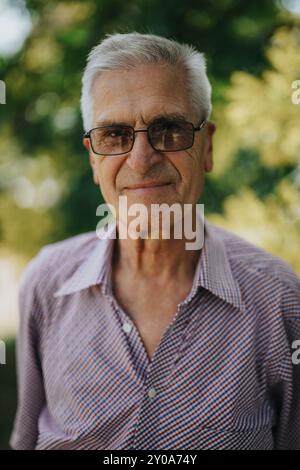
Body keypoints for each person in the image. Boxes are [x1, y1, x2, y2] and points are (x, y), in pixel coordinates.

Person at [10, 32, 300, 450]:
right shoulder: (46, 284)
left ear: (208, 146)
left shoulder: (277, 299)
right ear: (94, 158)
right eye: (114, 135)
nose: (142, 159)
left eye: (169, 129)